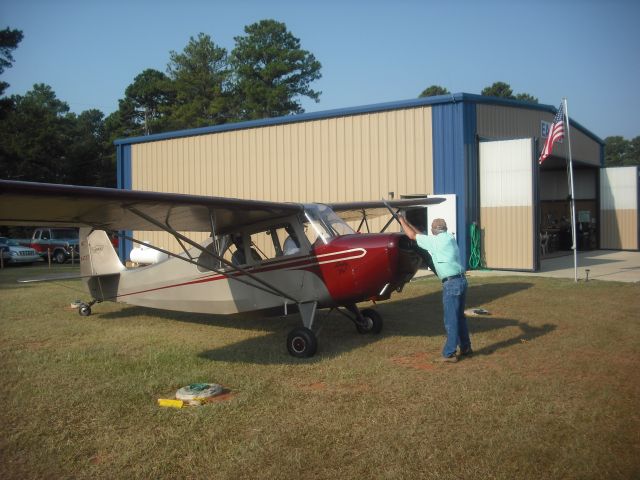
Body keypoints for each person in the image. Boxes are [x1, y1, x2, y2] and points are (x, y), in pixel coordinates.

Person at [398, 215, 472, 363]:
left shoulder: (435, 241)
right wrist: (407, 222)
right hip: (461, 280)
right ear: (444, 229)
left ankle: (449, 353)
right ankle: (466, 347)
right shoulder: (449, 238)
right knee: (460, 318)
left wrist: (401, 221)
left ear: (433, 230)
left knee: (451, 320)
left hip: (451, 284)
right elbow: (419, 236)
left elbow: (412, 236)